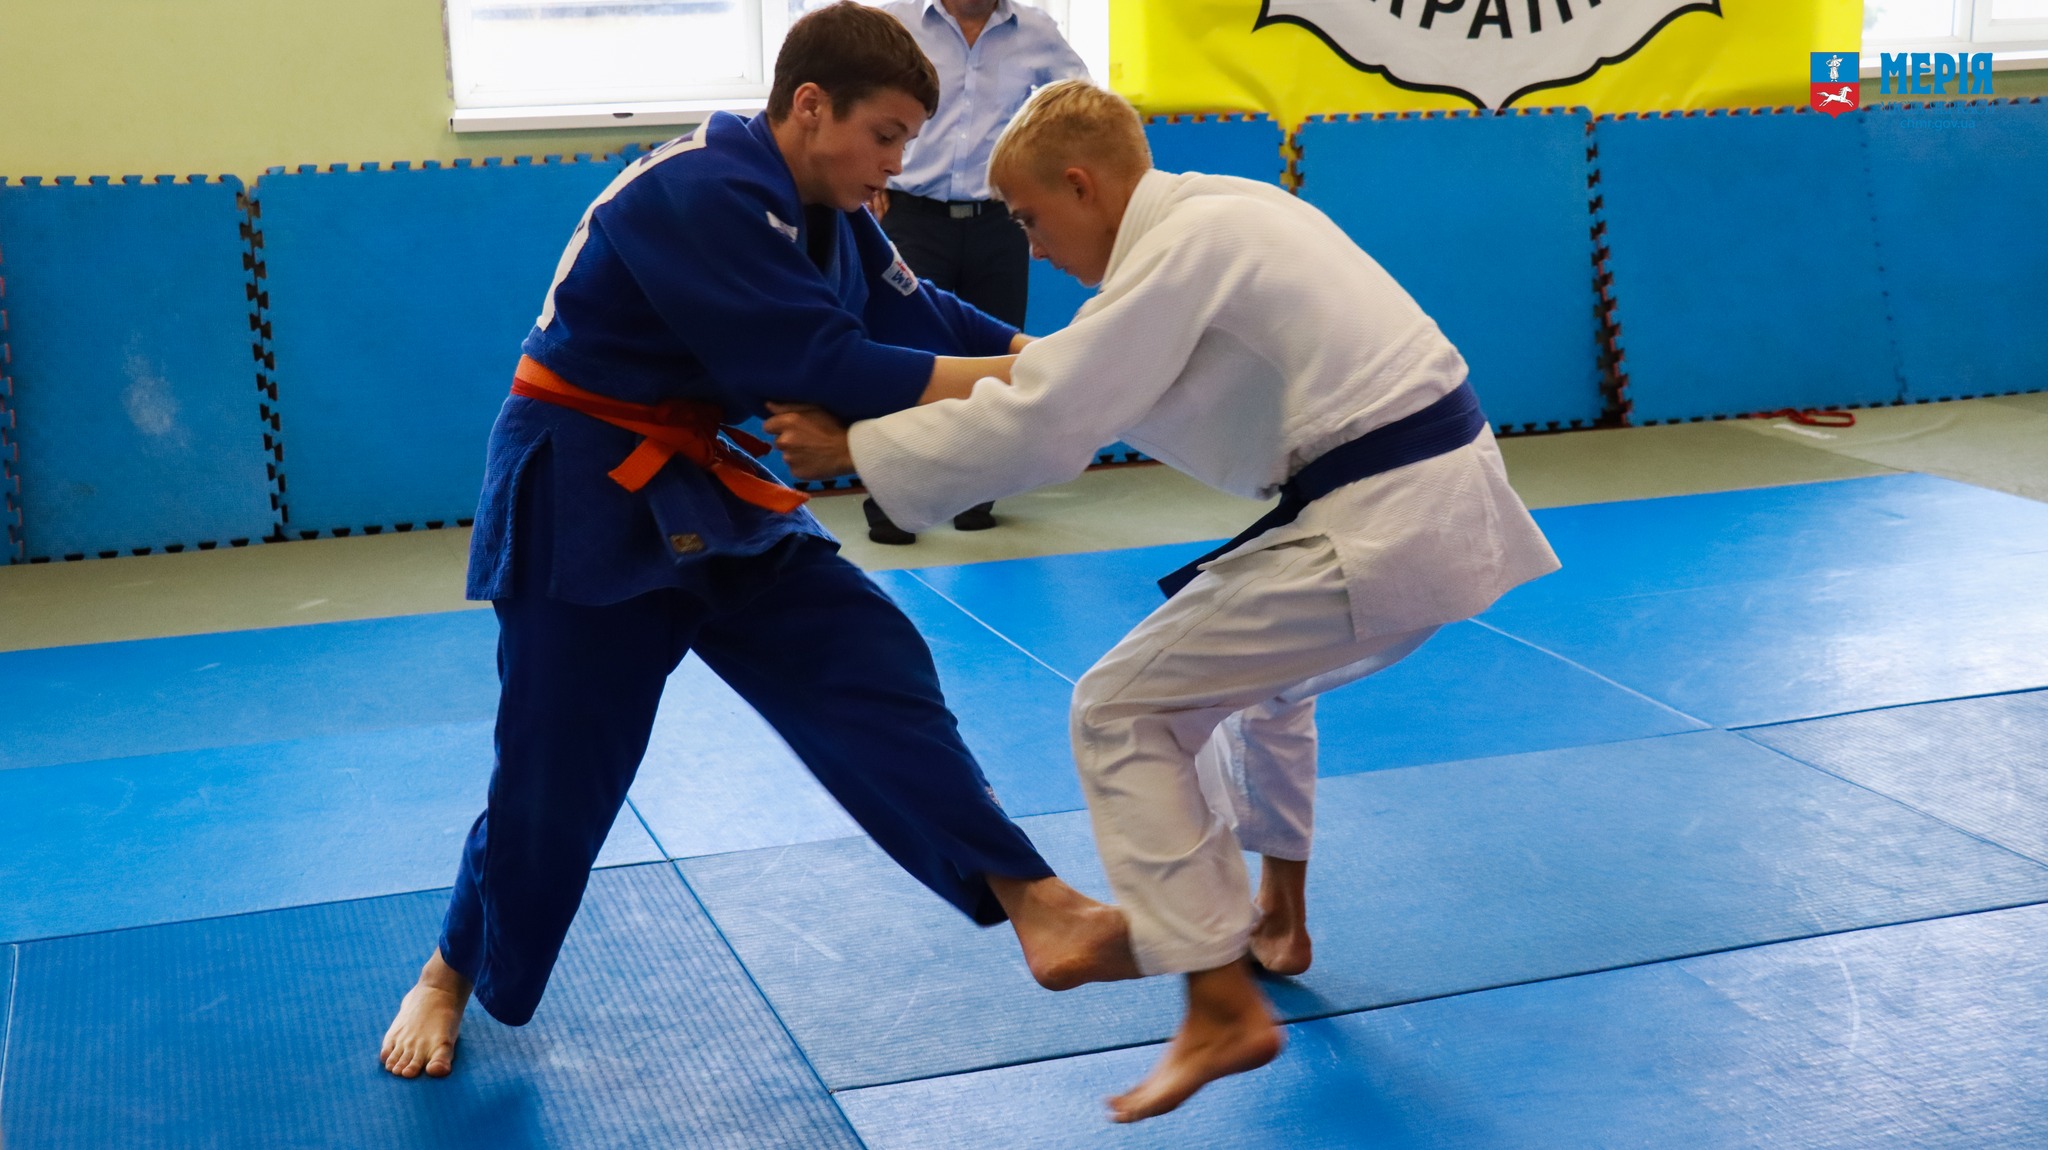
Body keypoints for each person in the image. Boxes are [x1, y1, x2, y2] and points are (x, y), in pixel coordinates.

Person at [767, 79, 1560, 1122]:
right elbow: (1068, 374)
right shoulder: (1219, 212)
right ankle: (1277, 917)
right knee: (1264, 688)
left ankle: (1216, 996)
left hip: (1384, 521)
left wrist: (855, 449)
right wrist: (913, 404)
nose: (1032, 248)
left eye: (1029, 219)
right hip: (1431, 503)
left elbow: (1054, 416)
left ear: (1082, 185)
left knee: (1118, 709)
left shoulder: (1184, 247)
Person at [378, 8, 1133, 1082]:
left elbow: (920, 315)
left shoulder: (831, 209)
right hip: (582, 482)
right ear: (810, 106)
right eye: (885, 135)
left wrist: (1057, 355)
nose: (898, 163)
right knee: (557, 771)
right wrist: (1044, 378)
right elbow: (822, 364)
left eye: (907, 140)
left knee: (865, 652)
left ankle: (1036, 903)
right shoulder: (700, 187)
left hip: (706, 481)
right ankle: (447, 971)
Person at [856, 0, 1089, 545]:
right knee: (907, 358)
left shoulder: (1035, 29)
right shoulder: (896, 22)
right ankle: (891, 500)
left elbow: (1080, 107)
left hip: (997, 222)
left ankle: (976, 492)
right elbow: (858, 103)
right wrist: (870, 171)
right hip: (913, 215)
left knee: (995, 362)